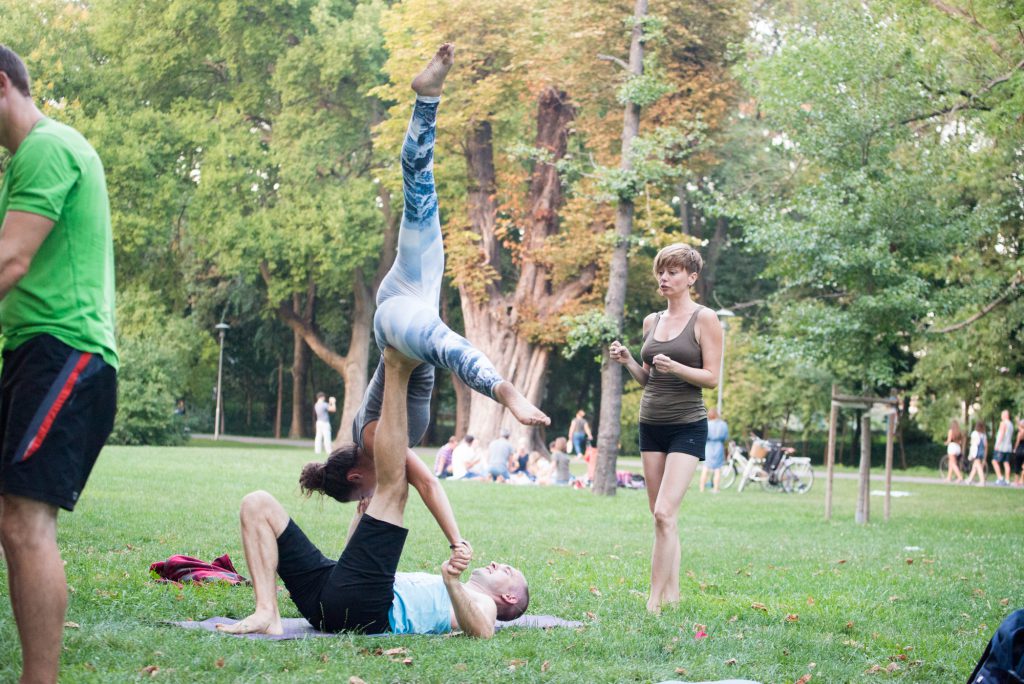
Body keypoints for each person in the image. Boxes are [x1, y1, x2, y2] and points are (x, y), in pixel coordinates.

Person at [328, 43, 547, 510]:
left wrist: (456, 541)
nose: (371, 496)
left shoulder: (371, 439)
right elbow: (374, 507)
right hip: (416, 289)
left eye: (362, 492)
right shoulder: (375, 458)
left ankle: (506, 393)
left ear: (356, 474)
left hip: (398, 326)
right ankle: (428, 97)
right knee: (418, 186)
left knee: (445, 345)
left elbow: (427, 486)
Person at [218, 348, 529, 638]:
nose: (498, 564)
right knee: (256, 503)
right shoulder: (456, 591)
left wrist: (451, 580)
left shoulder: (481, 601)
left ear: (509, 596)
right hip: (328, 597)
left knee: (395, 487)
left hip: (365, 610)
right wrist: (361, 519)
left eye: (507, 571)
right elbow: (351, 570)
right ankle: (266, 611)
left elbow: (483, 630)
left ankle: (395, 366)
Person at [0, 46, 119, 684]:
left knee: (25, 519)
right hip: (33, 354)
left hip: (67, 355)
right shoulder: (24, 163)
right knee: (12, 517)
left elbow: (10, 262)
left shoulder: (48, 147)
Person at [608, 243, 723, 614]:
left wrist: (677, 368)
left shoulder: (705, 319)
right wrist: (628, 360)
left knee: (664, 513)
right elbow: (647, 379)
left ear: (691, 278)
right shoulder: (651, 322)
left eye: (673, 272)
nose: (664, 277)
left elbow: (711, 378)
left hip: (687, 425)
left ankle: (654, 601)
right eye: (661, 271)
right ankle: (672, 595)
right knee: (660, 517)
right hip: (650, 424)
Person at [699, 408, 729, 493]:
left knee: (705, 468)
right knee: (718, 469)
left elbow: (703, 436)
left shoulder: (707, 424)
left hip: (708, 447)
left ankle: (702, 489)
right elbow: (726, 438)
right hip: (719, 446)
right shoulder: (723, 424)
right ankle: (715, 489)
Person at [992, 410, 1014, 487]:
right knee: (1006, 463)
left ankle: (1000, 478)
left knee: (994, 461)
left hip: (1002, 447)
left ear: (1005, 415)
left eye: (1002, 415)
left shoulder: (1003, 423)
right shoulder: (1011, 424)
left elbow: (1002, 434)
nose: (1001, 417)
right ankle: (1007, 480)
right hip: (1008, 447)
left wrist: (997, 445)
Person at [965, 420, 988, 487]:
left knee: (978, 466)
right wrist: (984, 456)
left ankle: (982, 481)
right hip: (981, 451)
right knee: (975, 466)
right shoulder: (983, 435)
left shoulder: (974, 433)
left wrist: (971, 454)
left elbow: (973, 445)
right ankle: (969, 479)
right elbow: (985, 446)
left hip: (976, 452)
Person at [944, 419, 964, 484]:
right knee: (951, 463)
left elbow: (949, 440)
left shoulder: (951, 431)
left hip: (952, 447)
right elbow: (961, 442)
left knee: (953, 463)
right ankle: (948, 478)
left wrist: (945, 443)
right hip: (958, 448)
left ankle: (960, 477)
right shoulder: (959, 432)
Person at [1014, 417, 1024, 487]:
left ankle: (1016, 481)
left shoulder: (1020, 433)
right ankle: (1021, 480)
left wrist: (1014, 448)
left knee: (1017, 465)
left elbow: (1017, 442)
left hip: (1020, 450)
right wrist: (1018, 422)